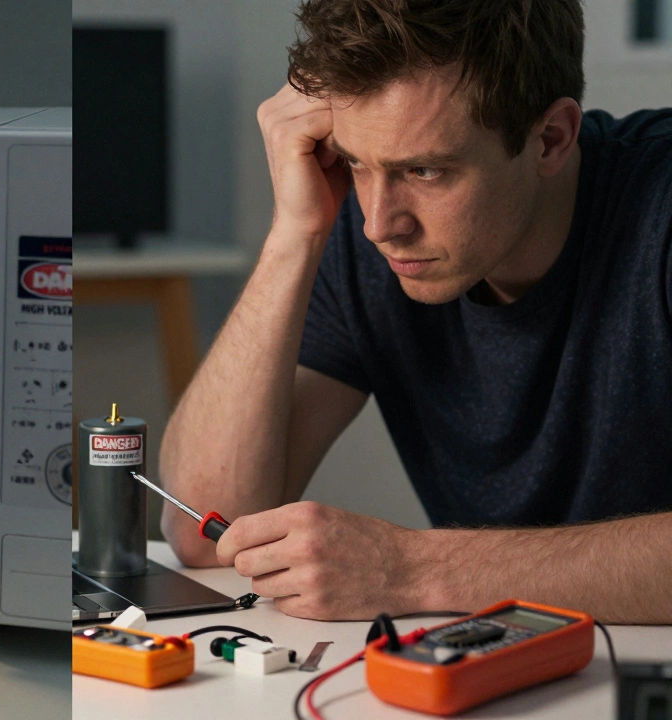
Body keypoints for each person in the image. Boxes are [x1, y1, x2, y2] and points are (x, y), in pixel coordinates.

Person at [160, 0, 672, 624]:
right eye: (354, 160)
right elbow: (204, 529)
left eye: (426, 170)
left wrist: (410, 570)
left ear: (550, 139)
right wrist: (294, 233)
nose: (380, 224)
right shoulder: (363, 233)